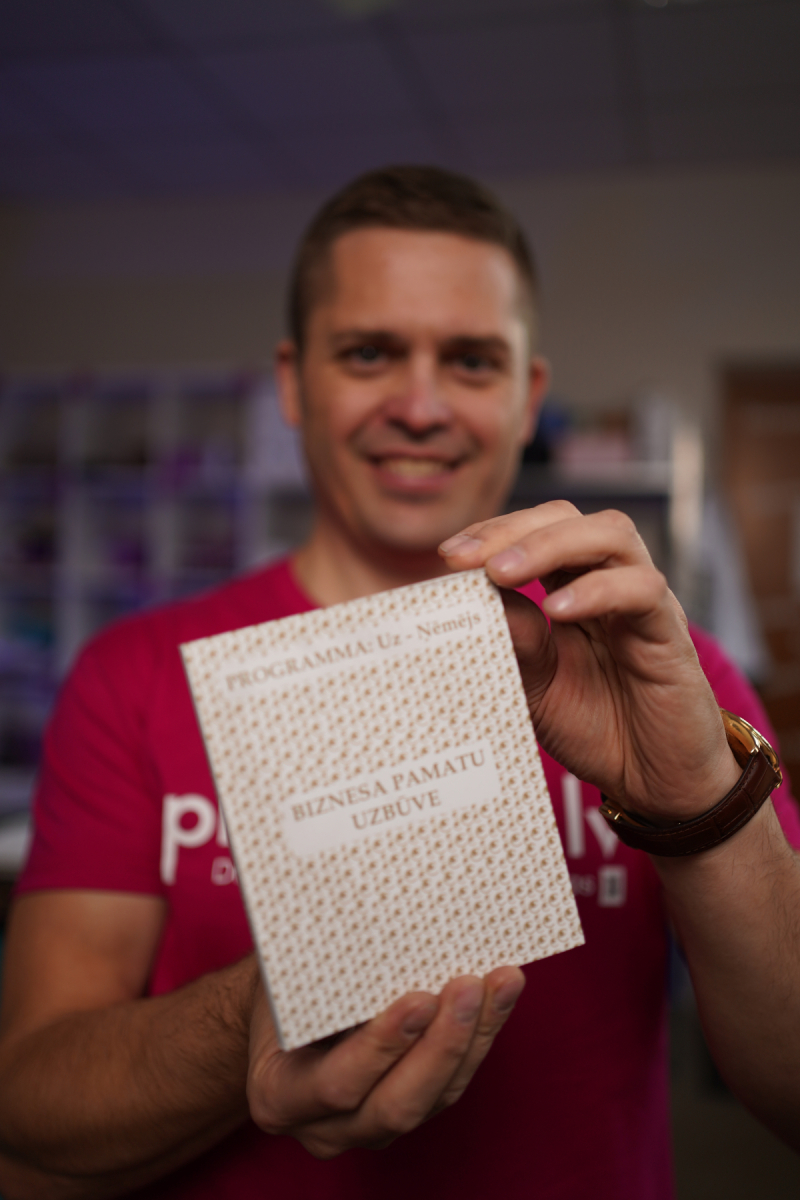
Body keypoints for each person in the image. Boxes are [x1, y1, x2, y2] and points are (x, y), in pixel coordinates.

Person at [1, 166, 799, 1200]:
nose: (420, 408)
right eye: (369, 352)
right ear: (294, 381)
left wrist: (696, 805)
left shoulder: (660, 673)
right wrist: (258, 1012)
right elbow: (33, 1105)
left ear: (527, 396)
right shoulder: (136, 679)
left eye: (470, 360)